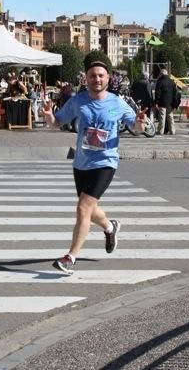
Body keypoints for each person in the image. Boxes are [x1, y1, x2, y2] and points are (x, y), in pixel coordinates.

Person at [40, 60, 147, 275]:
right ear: (85, 79)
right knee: (90, 209)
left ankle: (70, 257)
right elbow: (58, 123)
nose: (96, 79)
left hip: (105, 162)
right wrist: (49, 115)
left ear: (108, 78)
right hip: (81, 162)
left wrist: (140, 123)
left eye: (101, 75)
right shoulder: (78, 101)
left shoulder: (117, 103)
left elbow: (135, 128)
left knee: (82, 208)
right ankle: (110, 227)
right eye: (92, 75)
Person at [154, 68, 178, 135]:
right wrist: (174, 103)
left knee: (162, 117)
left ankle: (160, 131)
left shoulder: (160, 81)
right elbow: (175, 93)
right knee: (170, 117)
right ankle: (172, 130)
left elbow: (157, 93)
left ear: (161, 74)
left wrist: (156, 102)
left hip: (162, 102)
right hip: (170, 103)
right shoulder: (172, 82)